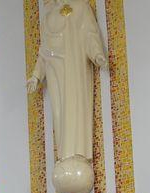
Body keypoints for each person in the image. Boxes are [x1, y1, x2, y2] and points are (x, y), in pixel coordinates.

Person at [26, 0, 106, 162]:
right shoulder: (48, 14)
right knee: (58, 113)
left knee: (74, 106)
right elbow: (44, 51)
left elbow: (89, 33)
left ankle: (77, 154)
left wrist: (97, 54)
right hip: (52, 68)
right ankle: (64, 156)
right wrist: (36, 75)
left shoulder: (80, 7)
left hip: (72, 65)